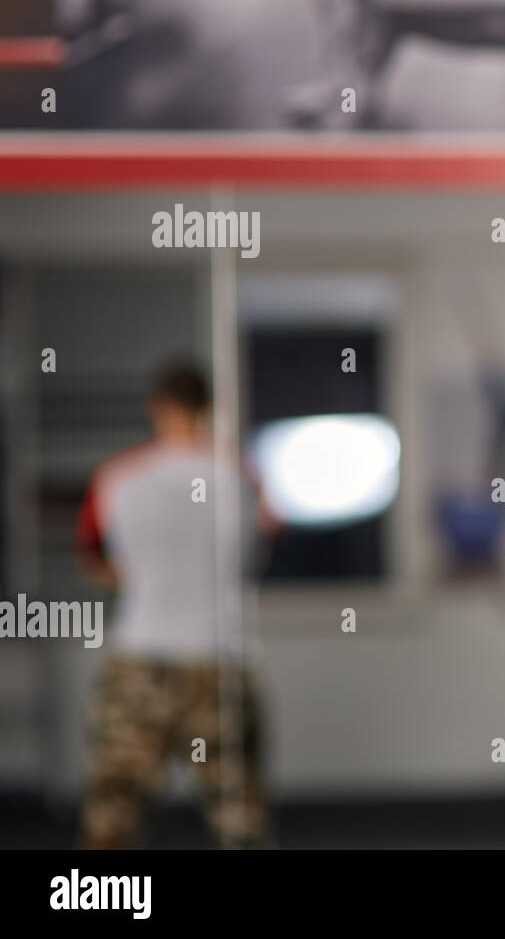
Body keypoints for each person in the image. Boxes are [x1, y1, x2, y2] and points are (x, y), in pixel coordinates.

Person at [75, 362, 273, 849]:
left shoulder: (116, 477)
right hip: (220, 658)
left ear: (157, 409)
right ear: (208, 408)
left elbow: (97, 561)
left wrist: (138, 575)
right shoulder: (244, 477)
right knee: (239, 818)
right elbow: (261, 548)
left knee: (113, 813)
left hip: (140, 657)